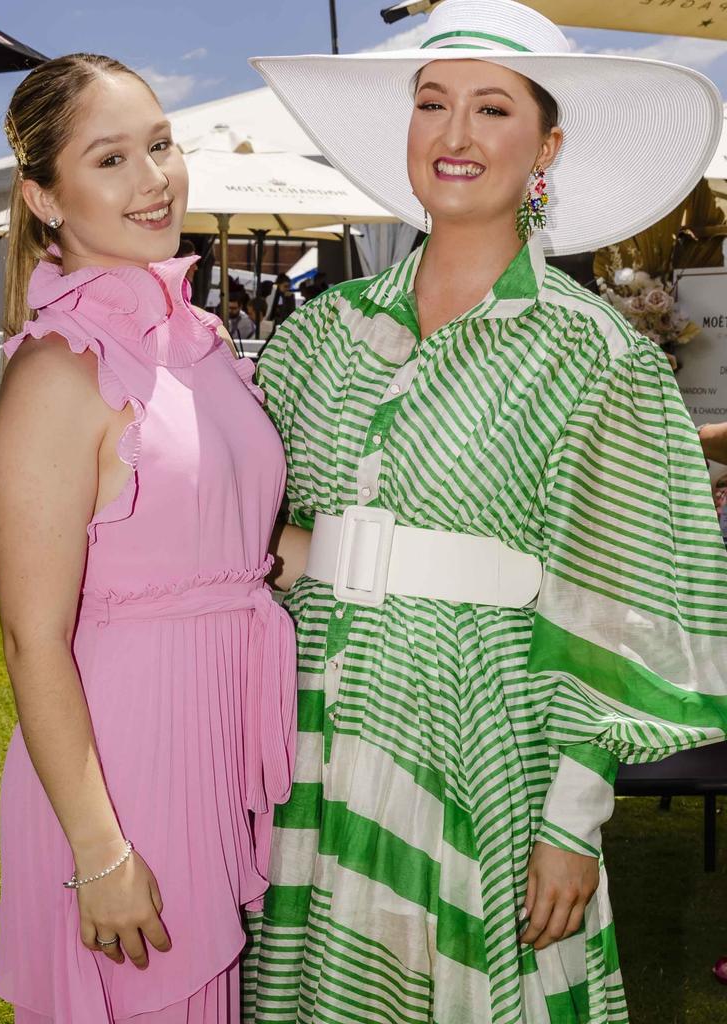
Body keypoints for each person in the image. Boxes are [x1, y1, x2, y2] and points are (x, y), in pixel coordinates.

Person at [244, 2, 727, 1022]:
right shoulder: (315, 338)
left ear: (546, 143)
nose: (454, 136)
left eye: (492, 108)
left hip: (485, 740)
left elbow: (623, 600)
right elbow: (243, 516)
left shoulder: (597, 357)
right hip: (308, 735)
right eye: (432, 104)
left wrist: (574, 814)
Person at [0, 53, 295, 1024]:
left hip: (210, 740)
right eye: (111, 158)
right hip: (120, 766)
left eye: (161, 144)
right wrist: (99, 852)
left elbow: (252, 546)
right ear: (44, 196)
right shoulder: (57, 370)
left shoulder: (197, 342)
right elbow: (30, 636)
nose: (154, 178)